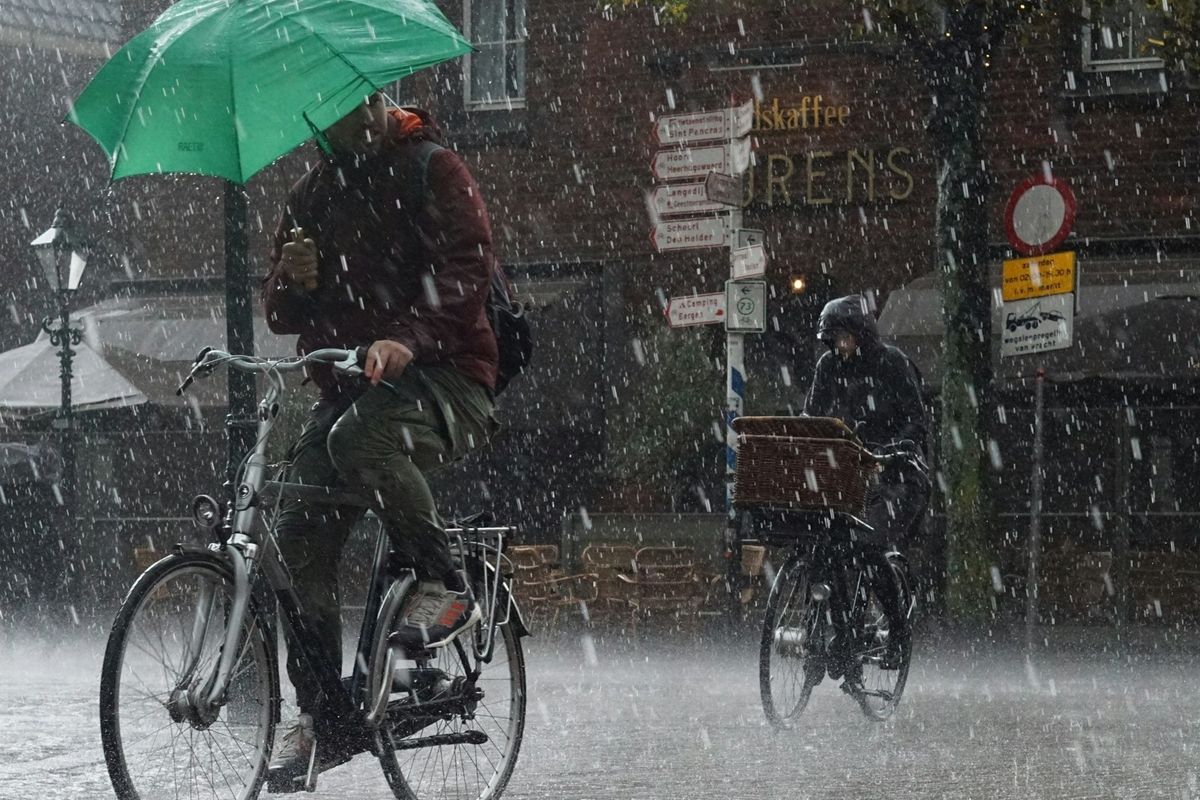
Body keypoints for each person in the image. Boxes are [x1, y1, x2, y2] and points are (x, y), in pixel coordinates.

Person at [260, 90, 499, 781]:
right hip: (353, 387)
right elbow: (277, 310)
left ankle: (443, 581)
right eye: (343, 106)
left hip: (450, 378)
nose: (364, 117)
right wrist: (293, 283)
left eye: (371, 99)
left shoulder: (433, 169)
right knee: (295, 534)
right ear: (316, 116)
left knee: (357, 441)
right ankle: (326, 718)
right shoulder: (309, 198)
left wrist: (406, 337)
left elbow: (468, 272)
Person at [804, 294, 930, 667]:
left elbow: (916, 421)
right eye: (833, 340)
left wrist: (891, 450)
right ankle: (838, 626)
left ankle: (898, 632)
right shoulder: (828, 366)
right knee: (823, 540)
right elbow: (813, 414)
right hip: (850, 475)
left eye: (844, 338)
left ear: (862, 334)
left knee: (870, 547)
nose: (839, 347)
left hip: (898, 477)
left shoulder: (893, 363)